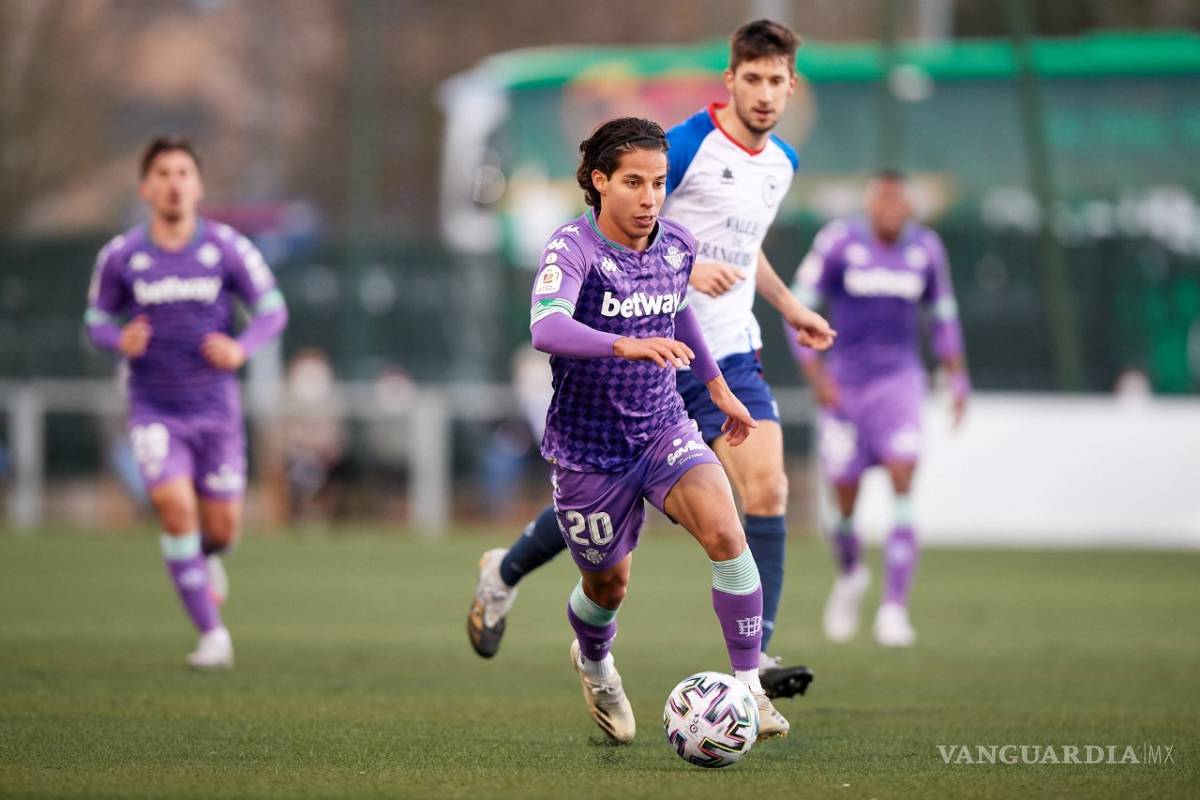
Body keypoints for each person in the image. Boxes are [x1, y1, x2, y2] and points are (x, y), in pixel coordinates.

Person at [468, 20, 834, 701]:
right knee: (609, 517)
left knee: (764, 494)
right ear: (730, 79)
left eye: (775, 80)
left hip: (724, 349)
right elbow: (656, 235)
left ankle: (754, 663)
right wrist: (670, 284)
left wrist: (788, 306)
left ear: (792, 86)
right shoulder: (687, 145)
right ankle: (509, 571)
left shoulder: (781, 161)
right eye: (750, 77)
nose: (762, 92)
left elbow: (738, 246)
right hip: (651, 350)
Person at [527, 116, 792, 743]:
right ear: (600, 182)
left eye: (659, 183)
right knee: (608, 586)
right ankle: (595, 663)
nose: (650, 199)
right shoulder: (573, 248)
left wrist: (720, 389)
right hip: (589, 451)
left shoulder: (675, 244)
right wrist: (625, 344)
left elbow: (679, 313)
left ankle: (750, 691)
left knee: (729, 532)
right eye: (634, 183)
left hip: (663, 429)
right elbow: (546, 327)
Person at [84, 136, 288, 669]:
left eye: (183, 173)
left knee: (221, 530)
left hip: (216, 411)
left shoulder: (226, 247)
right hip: (154, 407)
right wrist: (117, 339)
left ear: (197, 186)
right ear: (145, 187)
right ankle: (213, 635)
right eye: (164, 173)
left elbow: (271, 311)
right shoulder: (122, 255)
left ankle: (204, 559)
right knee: (176, 512)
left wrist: (239, 348)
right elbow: (96, 320)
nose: (174, 183)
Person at [789, 170, 969, 647]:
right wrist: (817, 375)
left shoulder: (926, 250)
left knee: (903, 479)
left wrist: (958, 377)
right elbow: (798, 308)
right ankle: (850, 576)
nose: (891, 209)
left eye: (899, 202)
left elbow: (944, 315)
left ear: (908, 206)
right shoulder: (839, 242)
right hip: (845, 387)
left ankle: (894, 608)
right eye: (882, 200)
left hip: (900, 383)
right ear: (869, 203)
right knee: (844, 502)